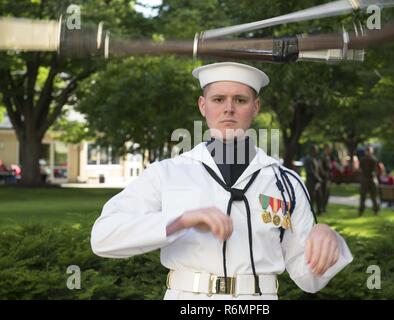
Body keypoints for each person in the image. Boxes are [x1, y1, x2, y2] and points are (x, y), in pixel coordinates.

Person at [91, 62, 353, 300]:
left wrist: (328, 238)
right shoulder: (167, 173)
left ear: (256, 106)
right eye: (218, 99)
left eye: (240, 99)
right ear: (203, 105)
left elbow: (309, 279)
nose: (229, 108)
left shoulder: (286, 182)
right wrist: (181, 220)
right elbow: (104, 238)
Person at [358, 146, 380, 216]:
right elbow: (378, 170)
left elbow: (360, 170)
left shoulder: (365, 160)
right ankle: (374, 210)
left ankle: (362, 211)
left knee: (367, 197)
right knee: (371, 197)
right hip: (369, 179)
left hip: (367, 179)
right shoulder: (373, 159)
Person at [303, 145, 324, 215]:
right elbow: (310, 172)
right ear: (312, 151)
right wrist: (318, 178)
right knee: (311, 198)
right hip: (311, 182)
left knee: (318, 196)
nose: (316, 152)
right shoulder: (308, 159)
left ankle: (319, 211)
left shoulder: (315, 159)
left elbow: (317, 170)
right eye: (315, 150)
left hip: (316, 182)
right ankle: (309, 212)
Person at [319, 144, 332, 213]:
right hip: (324, 178)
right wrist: (324, 174)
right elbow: (320, 167)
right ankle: (322, 208)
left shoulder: (328, 157)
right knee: (323, 193)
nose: (330, 150)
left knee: (327, 193)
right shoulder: (322, 156)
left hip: (328, 177)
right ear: (326, 149)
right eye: (329, 149)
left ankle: (324, 208)